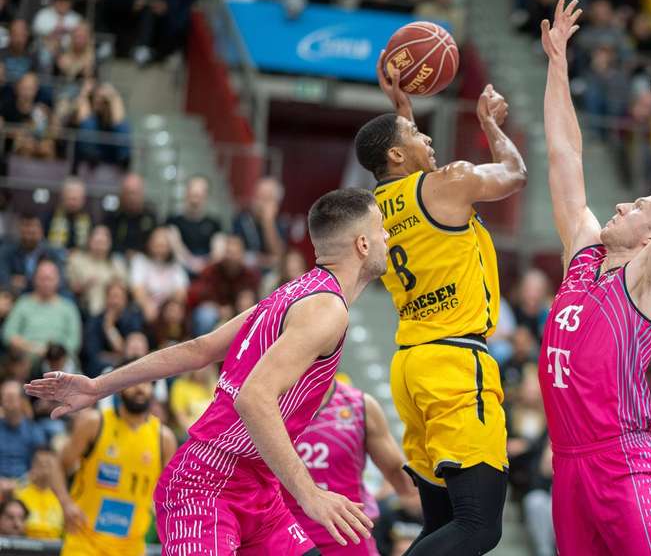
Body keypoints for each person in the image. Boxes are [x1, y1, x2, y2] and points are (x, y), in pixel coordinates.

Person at [26, 187, 387, 553]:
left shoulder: (291, 293)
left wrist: (97, 386)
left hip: (260, 492)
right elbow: (254, 397)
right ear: (362, 244)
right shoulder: (328, 310)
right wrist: (310, 494)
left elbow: (201, 349)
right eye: (381, 229)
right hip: (205, 485)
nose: (387, 236)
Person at [538, 0, 651, 554]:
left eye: (641, 206)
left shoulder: (649, 278)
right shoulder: (582, 252)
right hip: (568, 464)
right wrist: (558, 65)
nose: (626, 202)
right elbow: (564, 155)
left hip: (623, 460)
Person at [357, 38, 527, 553]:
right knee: (480, 526)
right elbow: (515, 175)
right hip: (456, 364)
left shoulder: (370, 209)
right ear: (395, 152)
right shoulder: (446, 185)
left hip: (411, 365)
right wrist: (493, 127)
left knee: (440, 526)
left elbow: (408, 184)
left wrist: (401, 112)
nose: (426, 134)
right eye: (415, 132)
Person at [43, 358, 175, 556]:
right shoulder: (94, 423)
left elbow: (168, 492)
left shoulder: (163, 438)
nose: (141, 388)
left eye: (147, 383)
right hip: (84, 541)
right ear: (120, 387)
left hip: (131, 547)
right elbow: (56, 465)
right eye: (133, 382)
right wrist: (66, 503)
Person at [284, 379, 417, 555]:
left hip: (348, 536)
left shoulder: (359, 405)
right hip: (285, 536)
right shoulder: (262, 403)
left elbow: (399, 476)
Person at [14, 448, 63, 539]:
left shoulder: (61, 498)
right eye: (40, 464)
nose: (45, 470)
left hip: (54, 548)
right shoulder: (19, 493)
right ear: (33, 466)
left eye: (48, 465)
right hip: (25, 546)